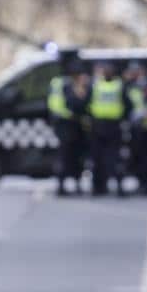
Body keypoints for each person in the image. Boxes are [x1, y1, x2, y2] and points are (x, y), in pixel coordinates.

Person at [87, 62, 129, 196]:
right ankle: (99, 186)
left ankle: (116, 186)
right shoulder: (98, 85)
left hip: (110, 125)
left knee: (113, 158)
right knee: (99, 158)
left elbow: (128, 104)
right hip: (101, 125)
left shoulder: (115, 85)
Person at [48, 61, 89, 196]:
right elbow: (71, 104)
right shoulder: (65, 85)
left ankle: (75, 184)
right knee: (65, 157)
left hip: (75, 127)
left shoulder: (76, 84)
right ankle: (62, 185)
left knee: (76, 157)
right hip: (66, 126)